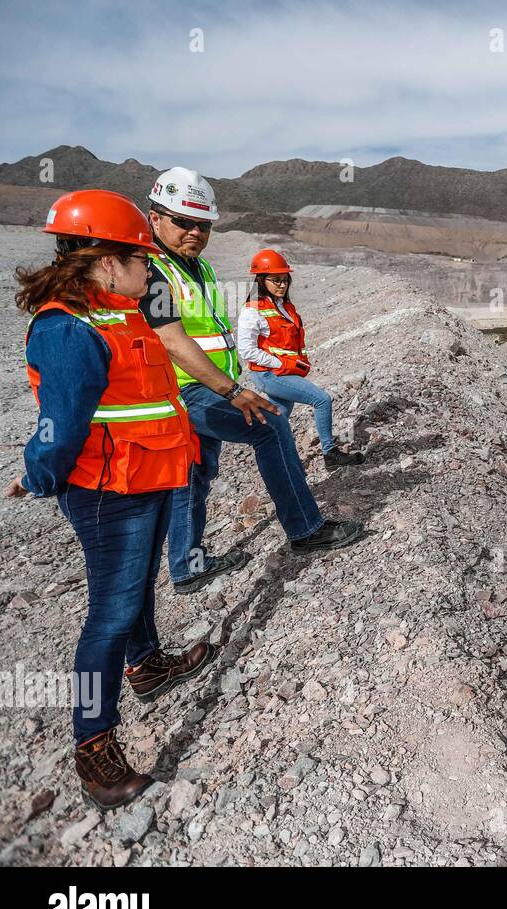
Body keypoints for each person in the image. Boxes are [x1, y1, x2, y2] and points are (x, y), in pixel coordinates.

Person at [6, 190, 213, 810]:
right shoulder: (67, 327)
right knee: (109, 616)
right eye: (141, 260)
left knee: (136, 589)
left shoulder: (119, 310)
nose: (150, 271)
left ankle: (146, 664)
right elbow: (60, 426)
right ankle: (93, 743)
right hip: (106, 492)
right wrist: (38, 476)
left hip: (143, 477)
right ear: (105, 261)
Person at [140, 167, 363, 594]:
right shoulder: (154, 273)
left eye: (202, 224)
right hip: (184, 389)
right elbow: (171, 340)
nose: (194, 232)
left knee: (193, 474)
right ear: (155, 218)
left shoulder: (198, 268)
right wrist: (234, 390)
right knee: (271, 424)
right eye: (182, 221)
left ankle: (187, 567)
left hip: (201, 385)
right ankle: (305, 529)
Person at [237, 248, 363, 469]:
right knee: (321, 399)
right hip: (269, 373)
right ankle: (329, 454)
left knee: (278, 417)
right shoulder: (252, 311)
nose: (282, 284)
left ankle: (276, 461)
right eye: (275, 280)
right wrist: (282, 364)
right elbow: (247, 351)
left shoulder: (284, 306)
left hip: (283, 372)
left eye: (285, 279)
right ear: (261, 280)